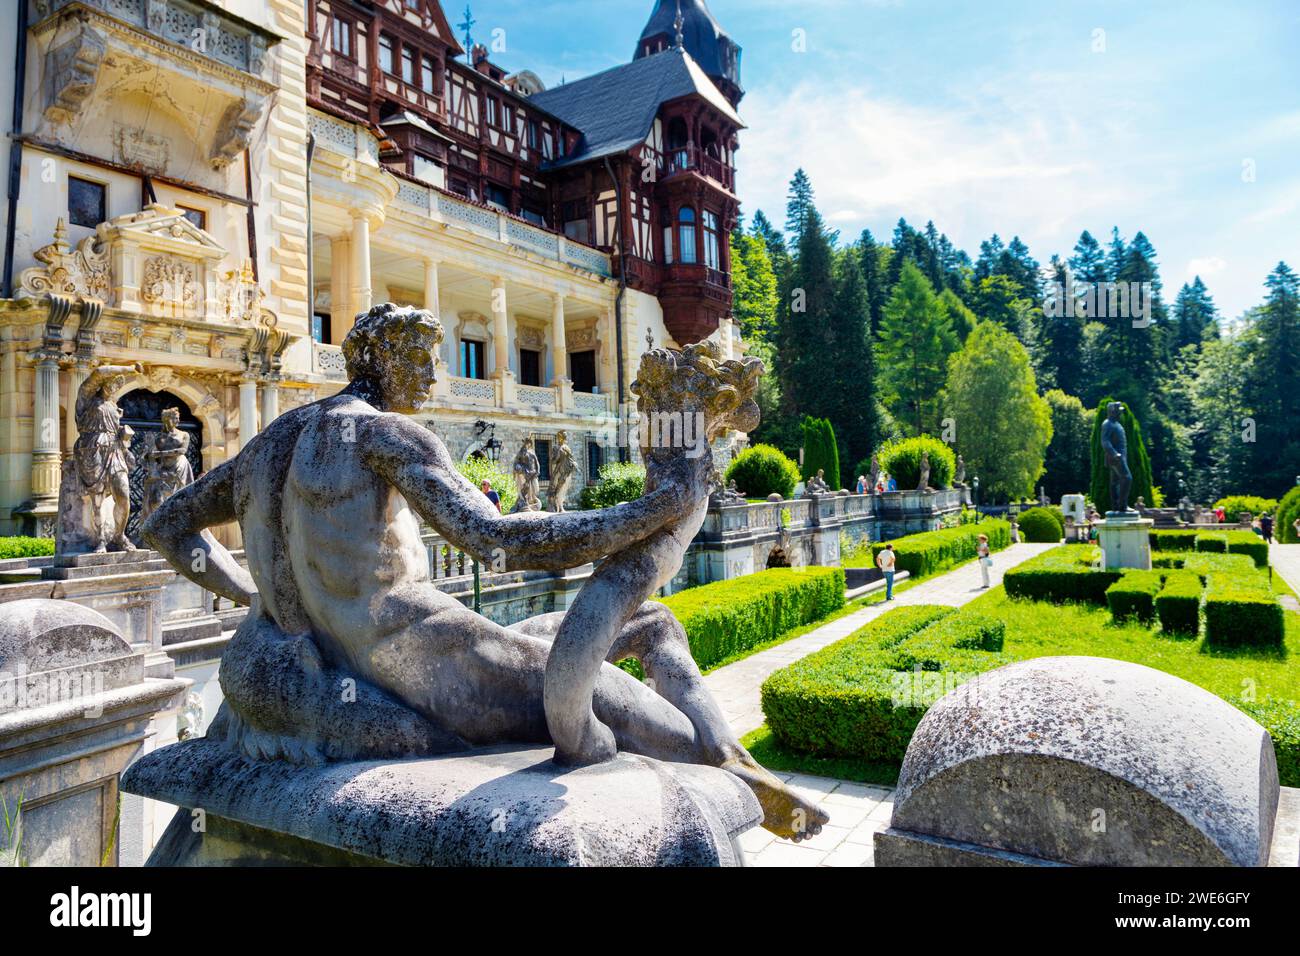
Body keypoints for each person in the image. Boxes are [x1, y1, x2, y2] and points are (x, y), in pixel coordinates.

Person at [144, 303, 826, 842]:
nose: (434, 374)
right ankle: (722, 768)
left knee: (654, 619)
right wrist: (650, 512)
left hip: (331, 663)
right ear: (383, 358)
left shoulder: (268, 444)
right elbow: (499, 537)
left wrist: (254, 594)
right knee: (634, 712)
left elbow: (165, 527)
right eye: (423, 357)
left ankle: (731, 750)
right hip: (426, 660)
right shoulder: (386, 432)